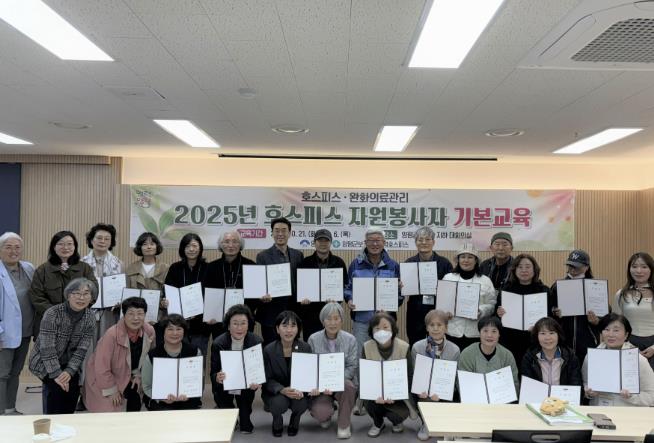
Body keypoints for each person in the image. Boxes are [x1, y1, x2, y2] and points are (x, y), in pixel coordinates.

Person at [28, 278, 96, 414]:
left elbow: (81, 350)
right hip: (44, 362)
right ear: (68, 295)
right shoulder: (53, 313)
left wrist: (69, 371)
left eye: (86, 294)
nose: (81, 298)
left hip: (68, 364)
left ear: (91, 298)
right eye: (77, 293)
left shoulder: (90, 317)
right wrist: (56, 374)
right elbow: (47, 349)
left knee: (72, 392)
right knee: (56, 393)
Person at [83, 297, 155, 412]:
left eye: (140, 313)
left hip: (131, 375)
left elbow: (150, 358)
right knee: (111, 410)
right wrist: (111, 390)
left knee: (136, 400)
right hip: (105, 378)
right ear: (123, 315)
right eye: (131, 314)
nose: (136, 318)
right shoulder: (111, 335)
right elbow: (101, 367)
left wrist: (140, 375)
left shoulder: (149, 331)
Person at [344, 228, 402, 355]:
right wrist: (349, 299)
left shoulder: (393, 266)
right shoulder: (355, 264)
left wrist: (391, 305)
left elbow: (399, 295)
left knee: (385, 355)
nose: (374, 244)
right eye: (370, 240)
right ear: (365, 242)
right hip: (361, 321)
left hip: (386, 321)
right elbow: (348, 288)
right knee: (361, 354)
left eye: (378, 240)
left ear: (384, 242)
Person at [29, 231, 97, 336]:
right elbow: (37, 297)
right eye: (61, 244)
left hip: (78, 322)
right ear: (53, 247)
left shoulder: (85, 268)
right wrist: (57, 315)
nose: (65, 247)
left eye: (69, 244)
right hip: (49, 324)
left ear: (75, 247)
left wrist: (76, 311)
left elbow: (93, 292)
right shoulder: (42, 270)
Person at [362, 312, 417, 438]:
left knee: (398, 415)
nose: (382, 331)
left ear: (393, 328)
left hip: (398, 395)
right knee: (369, 402)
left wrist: (397, 394)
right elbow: (364, 376)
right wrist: (374, 395)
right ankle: (378, 423)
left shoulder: (404, 347)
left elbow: (409, 376)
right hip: (375, 395)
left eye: (385, 327)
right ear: (372, 331)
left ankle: (397, 422)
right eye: (377, 328)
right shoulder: (367, 347)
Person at [307, 302, 358, 439]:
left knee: (349, 386)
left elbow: (352, 366)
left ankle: (344, 424)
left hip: (342, 384)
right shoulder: (313, 339)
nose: (332, 323)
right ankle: (328, 412)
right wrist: (321, 385)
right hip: (322, 387)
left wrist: (334, 383)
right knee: (321, 414)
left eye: (336, 318)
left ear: (342, 320)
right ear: (322, 320)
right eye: (328, 319)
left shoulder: (350, 339)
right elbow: (311, 367)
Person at [210, 304, 263, 434]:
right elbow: (213, 372)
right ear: (228, 326)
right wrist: (217, 377)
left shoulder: (256, 341)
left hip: (246, 384)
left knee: (246, 423)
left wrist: (258, 381)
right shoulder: (218, 343)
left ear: (248, 325)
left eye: (243, 323)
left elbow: (260, 368)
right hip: (226, 382)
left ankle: (245, 416)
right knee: (225, 409)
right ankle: (228, 413)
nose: (239, 328)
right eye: (235, 323)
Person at [582, 313, 654, 406]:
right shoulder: (591, 357)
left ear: (626, 334)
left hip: (627, 411)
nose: (611, 334)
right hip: (599, 410)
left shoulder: (638, 360)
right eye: (606, 329)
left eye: (616, 330)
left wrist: (631, 397)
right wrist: (589, 393)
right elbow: (585, 383)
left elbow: (651, 396)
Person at [411, 309, 460, 441]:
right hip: (424, 391)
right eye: (432, 325)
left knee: (452, 399)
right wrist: (420, 390)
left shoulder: (454, 349)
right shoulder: (417, 347)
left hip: (444, 390)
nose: (435, 328)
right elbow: (415, 373)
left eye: (439, 325)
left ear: (446, 328)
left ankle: (443, 422)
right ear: (427, 328)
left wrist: (444, 392)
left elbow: (454, 377)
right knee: (423, 397)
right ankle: (426, 424)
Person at [0, 232, 35, 415]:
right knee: (2, 374)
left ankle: (10, 408)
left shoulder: (28, 268)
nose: (13, 251)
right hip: (4, 333)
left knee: (15, 372)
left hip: (25, 332)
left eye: (17, 247)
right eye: (8, 247)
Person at [255, 217, 304, 345]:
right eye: (277, 230)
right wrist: (262, 295)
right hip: (271, 312)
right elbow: (260, 283)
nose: (280, 234)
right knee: (271, 348)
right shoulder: (262, 256)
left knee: (293, 347)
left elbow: (301, 282)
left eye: (284, 230)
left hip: (293, 311)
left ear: (290, 233)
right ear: (272, 233)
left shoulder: (298, 255)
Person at [496, 254, 550, 367]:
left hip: (535, 340)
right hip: (511, 340)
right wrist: (498, 313)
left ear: (534, 269)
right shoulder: (506, 290)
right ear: (514, 270)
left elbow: (550, 318)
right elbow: (496, 316)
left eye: (528, 267)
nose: (524, 270)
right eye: (520, 267)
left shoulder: (543, 290)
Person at [262, 310, 310, 437]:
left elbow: (308, 375)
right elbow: (266, 379)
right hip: (276, 392)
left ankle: (295, 419)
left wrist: (301, 389)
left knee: (301, 403)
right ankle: (277, 420)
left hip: (297, 390)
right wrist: (282, 390)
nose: (289, 330)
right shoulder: (269, 350)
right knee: (278, 404)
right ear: (277, 329)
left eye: (293, 326)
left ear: (298, 329)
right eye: (284, 326)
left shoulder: (305, 348)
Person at [141, 314, 203, 410]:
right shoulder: (152, 355)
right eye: (170, 329)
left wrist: (190, 394)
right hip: (161, 402)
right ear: (163, 332)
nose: (175, 333)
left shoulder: (195, 352)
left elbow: (199, 382)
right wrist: (161, 397)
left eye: (179, 329)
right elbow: (147, 386)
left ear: (184, 332)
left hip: (187, 400)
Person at [404, 227, 453, 346]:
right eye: (420, 240)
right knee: (416, 343)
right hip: (415, 311)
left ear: (433, 242)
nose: (424, 242)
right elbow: (404, 289)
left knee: (438, 344)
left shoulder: (444, 263)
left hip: (438, 310)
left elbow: (450, 290)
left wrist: (449, 309)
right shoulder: (409, 263)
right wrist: (401, 286)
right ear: (416, 242)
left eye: (427, 239)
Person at [548, 250, 599, 363]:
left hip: (588, 342)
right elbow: (549, 311)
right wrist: (555, 312)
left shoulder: (595, 286)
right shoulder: (557, 286)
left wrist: (597, 320)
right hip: (564, 341)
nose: (573, 268)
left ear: (586, 267)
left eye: (577, 266)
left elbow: (604, 314)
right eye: (570, 265)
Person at [443, 243, 496, 351]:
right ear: (458, 260)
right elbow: (442, 302)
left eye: (470, 257)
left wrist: (480, 311)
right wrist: (444, 312)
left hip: (475, 332)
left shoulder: (485, 281)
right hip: (452, 331)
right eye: (462, 257)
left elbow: (492, 304)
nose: (466, 260)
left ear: (476, 260)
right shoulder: (448, 278)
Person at [298, 229, 348, 341]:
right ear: (314, 243)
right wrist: (302, 299)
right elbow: (298, 287)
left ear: (331, 243)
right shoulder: (304, 263)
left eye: (326, 240)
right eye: (320, 240)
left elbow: (345, 286)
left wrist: (337, 299)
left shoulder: (339, 262)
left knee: (332, 345)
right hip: (310, 314)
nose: (323, 243)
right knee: (311, 344)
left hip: (332, 314)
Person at [164, 233, 210, 355]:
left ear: (200, 248)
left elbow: (211, 295)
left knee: (198, 359)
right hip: (178, 325)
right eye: (187, 246)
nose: (191, 249)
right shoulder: (175, 268)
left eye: (194, 246)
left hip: (201, 325)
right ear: (182, 249)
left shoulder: (208, 268)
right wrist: (165, 301)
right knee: (178, 358)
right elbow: (168, 291)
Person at [204, 231, 256, 334]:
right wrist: (211, 314)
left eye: (235, 241)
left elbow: (255, 297)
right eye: (227, 242)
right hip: (218, 321)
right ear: (221, 245)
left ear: (240, 245)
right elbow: (205, 293)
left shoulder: (251, 266)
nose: (231, 245)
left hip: (244, 321)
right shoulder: (211, 267)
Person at [521, 317, 582, 402]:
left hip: (563, 404)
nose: (547, 337)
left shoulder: (570, 357)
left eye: (552, 333)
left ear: (558, 335)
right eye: (543, 333)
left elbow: (576, 386)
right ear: (536, 336)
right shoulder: (529, 358)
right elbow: (527, 388)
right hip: (538, 403)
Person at [612, 252, 654, 370]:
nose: (639, 271)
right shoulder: (621, 294)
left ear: (651, 269)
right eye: (634, 266)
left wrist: (653, 348)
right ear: (629, 269)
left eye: (644, 267)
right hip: (628, 344)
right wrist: (628, 346)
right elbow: (615, 324)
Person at [82, 223, 124, 338]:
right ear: (91, 240)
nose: (103, 241)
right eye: (99, 238)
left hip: (110, 313)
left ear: (111, 242)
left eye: (107, 239)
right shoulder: (82, 263)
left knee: (108, 342)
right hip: (86, 310)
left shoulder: (119, 264)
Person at [458, 316, 519, 393]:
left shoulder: (507, 356)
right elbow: (462, 384)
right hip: (474, 398)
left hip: (500, 398)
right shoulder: (467, 354)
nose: (489, 335)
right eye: (485, 331)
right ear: (479, 333)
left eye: (494, 331)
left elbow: (514, 383)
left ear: (499, 334)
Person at [125, 232, 169, 327]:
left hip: (159, 317)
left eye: (152, 244)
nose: (149, 247)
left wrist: (163, 302)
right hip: (135, 318)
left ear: (157, 246)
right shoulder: (131, 268)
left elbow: (168, 294)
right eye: (145, 244)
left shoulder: (165, 268)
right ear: (140, 247)